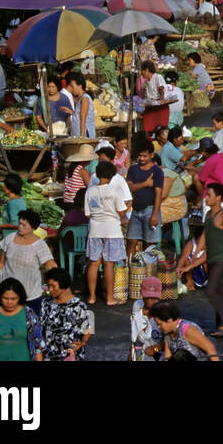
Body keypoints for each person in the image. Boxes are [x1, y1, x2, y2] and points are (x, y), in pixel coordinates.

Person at [178, 182, 223, 337]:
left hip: (222, 258)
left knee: (210, 290)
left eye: (209, 195)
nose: (206, 198)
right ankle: (221, 325)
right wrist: (196, 252)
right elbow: (204, 236)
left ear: (218, 198)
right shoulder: (209, 215)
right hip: (210, 258)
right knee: (217, 290)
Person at [85, 160, 130, 306]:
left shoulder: (90, 191)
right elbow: (122, 212)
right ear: (111, 176)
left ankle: (92, 296)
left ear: (97, 175)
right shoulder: (114, 191)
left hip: (94, 230)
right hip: (112, 230)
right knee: (108, 264)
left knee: (93, 263)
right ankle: (110, 298)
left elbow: (87, 214)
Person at [0, 210, 56, 317]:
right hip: (8, 293)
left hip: (30, 295)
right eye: (19, 223)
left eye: (24, 225)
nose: (20, 227)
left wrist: (58, 286)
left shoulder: (40, 245)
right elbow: (1, 264)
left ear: (33, 227)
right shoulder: (10, 238)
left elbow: (51, 266)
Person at [0, 278, 44, 361]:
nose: (9, 302)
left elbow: (37, 345)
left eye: (13, 299)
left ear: (20, 297)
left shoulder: (28, 314)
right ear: (0, 297)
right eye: (5, 298)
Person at [40, 267, 94, 361]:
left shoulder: (79, 306)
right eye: (48, 286)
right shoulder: (45, 303)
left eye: (53, 286)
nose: (50, 289)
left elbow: (89, 327)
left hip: (69, 355)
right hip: (48, 355)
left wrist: (83, 342)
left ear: (63, 283)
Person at [125, 142, 165, 256]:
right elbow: (130, 187)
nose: (141, 158)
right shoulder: (133, 169)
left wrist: (155, 214)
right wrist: (146, 184)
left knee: (150, 244)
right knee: (131, 240)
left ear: (151, 155)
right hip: (136, 210)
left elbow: (158, 194)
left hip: (150, 210)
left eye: (144, 156)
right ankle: (130, 268)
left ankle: (149, 270)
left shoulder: (157, 171)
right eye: (140, 156)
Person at [151, 301, 222, 360]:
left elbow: (210, 349)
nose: (158, 327)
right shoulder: (167, 334)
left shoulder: (187, 329)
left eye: (160, 324)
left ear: (169, 320)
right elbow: (167, 355)